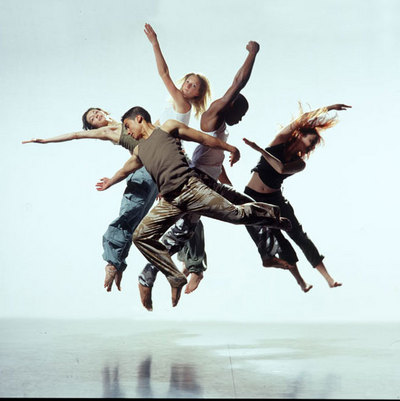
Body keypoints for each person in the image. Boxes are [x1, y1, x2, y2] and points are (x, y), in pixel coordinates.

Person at [137, 40, 293, 304]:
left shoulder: (220, 126)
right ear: (230, 105)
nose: (241, 119)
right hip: (196, 183)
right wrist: (252, 54)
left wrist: (226, 181)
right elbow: (238, 83)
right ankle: (150, 274)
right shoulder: (213, 115)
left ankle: (269, 238)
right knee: (185, 230)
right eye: (240, 113)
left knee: (246, 205)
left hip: (208, 181)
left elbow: (213, 163)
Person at [96, 106, 291, 309]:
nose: (127, 132)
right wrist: (110, 181)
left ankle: (271, 214)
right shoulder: (139, 150)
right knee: (141, 236)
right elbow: (125, 170)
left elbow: (203, 139)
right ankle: (175, 277)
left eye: (128, 126)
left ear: (139, 119)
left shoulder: (167, 128)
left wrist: (230, 148)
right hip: (171, 201)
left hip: (191, 189)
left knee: (236, 215)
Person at [22, 108, 159, 292]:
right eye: (92, 119)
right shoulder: (108, 131)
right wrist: (46, 140)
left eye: (95, 112)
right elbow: (75, 135)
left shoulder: (128, 120)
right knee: (127, 217)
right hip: (143, 172)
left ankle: (119, 263)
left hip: (158, 174)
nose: (96, 116)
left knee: (146, 219)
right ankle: (114, 263)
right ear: (94, 127)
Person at [242, 103, 351, 292]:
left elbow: (280, 168)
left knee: (298, 235)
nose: (312, 146)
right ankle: (301, 281)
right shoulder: (279, 141)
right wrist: (329, 108)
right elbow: (303, 118)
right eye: (311, 141)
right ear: (300, 135)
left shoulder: (300, 164)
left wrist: (259, 149)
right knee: (277, 239)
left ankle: (329, 278)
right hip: (254, 197)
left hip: (276, 200)